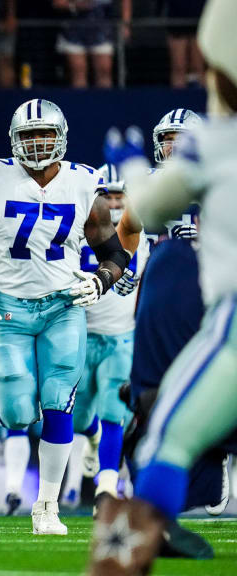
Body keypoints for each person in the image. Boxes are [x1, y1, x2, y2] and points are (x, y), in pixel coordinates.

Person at [89, 3, 237, 570]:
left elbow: (147, 209)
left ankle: (126, 555)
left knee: (166, 440)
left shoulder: (216, 142)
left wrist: (129, 166)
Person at [0, 98, 129, 535]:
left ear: (61, 136)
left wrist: (102, 278)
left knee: (58, 401)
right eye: (29, 136)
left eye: (45, 134)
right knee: (16, 412)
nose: (39, 143)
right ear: (14, 140)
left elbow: (114, 253)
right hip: (9, 310)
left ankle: (46, 505)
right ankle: (32, 467)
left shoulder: (84, 183)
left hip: (63, 307)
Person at [67, 164, 147, 517]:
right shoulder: (82, 231)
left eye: (119, 196)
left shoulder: (139, 233)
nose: (114, 203)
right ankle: (93, 437)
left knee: (114, 411)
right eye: (108, 195)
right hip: (83, 335)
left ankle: (106, 486)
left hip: (122, 337)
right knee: (79, 416)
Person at [53, 0, 131, 88]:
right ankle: (80, 100)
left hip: (102, 31)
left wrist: (125, 24)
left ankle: (105, 100)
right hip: (73, 31)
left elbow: (126, 2)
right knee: (78, 71)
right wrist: (75, 6)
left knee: (104, 70)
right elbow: (58, 3)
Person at [164, 0, 207, 88]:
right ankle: (178, 100)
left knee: (199, 67)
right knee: (179, 67)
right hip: (176, 18)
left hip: (200, 19)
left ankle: (202, 98)